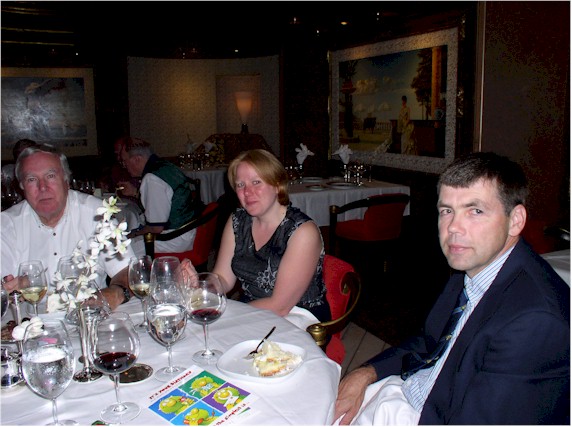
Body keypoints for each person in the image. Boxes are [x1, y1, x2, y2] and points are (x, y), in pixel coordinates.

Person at [333, 152, 569, 425]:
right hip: (411, 390)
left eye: (475, 211)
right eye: (447, 211)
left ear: (515, 220)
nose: (454, 228)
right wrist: (366, 373)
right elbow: (429, 340)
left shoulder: (534, 320)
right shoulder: (471, 265)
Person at [181, 149, 331, 324]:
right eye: (240, 185)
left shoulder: (302, 231)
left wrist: (224, 313)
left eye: (256, 182)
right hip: (252, 308)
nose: (247, 192)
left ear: (277, 185)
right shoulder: (237, 221)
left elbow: (280, 306)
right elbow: (223, 278)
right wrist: (200, 287)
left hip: (297, 315)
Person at [1, 144, 134, 310]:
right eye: (31, 179)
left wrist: (115, 292)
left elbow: (127, 271)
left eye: (50, 176)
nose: (42, 187)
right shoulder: (7, 225)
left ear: (66, 180)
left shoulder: (97, 214)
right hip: (29, 320)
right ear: (21, 186)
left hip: (90, 315)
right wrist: (10, 288)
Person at [118, 137, 204, 253]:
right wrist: (135, 192)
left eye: (124, 161)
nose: (124, 165)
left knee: (122, 250)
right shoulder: (165, 166)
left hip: (174, 237)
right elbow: (166, 200)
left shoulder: (152, 178)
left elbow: (155, 228)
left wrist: (134, 234)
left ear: (137, 159)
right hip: (187, 230)